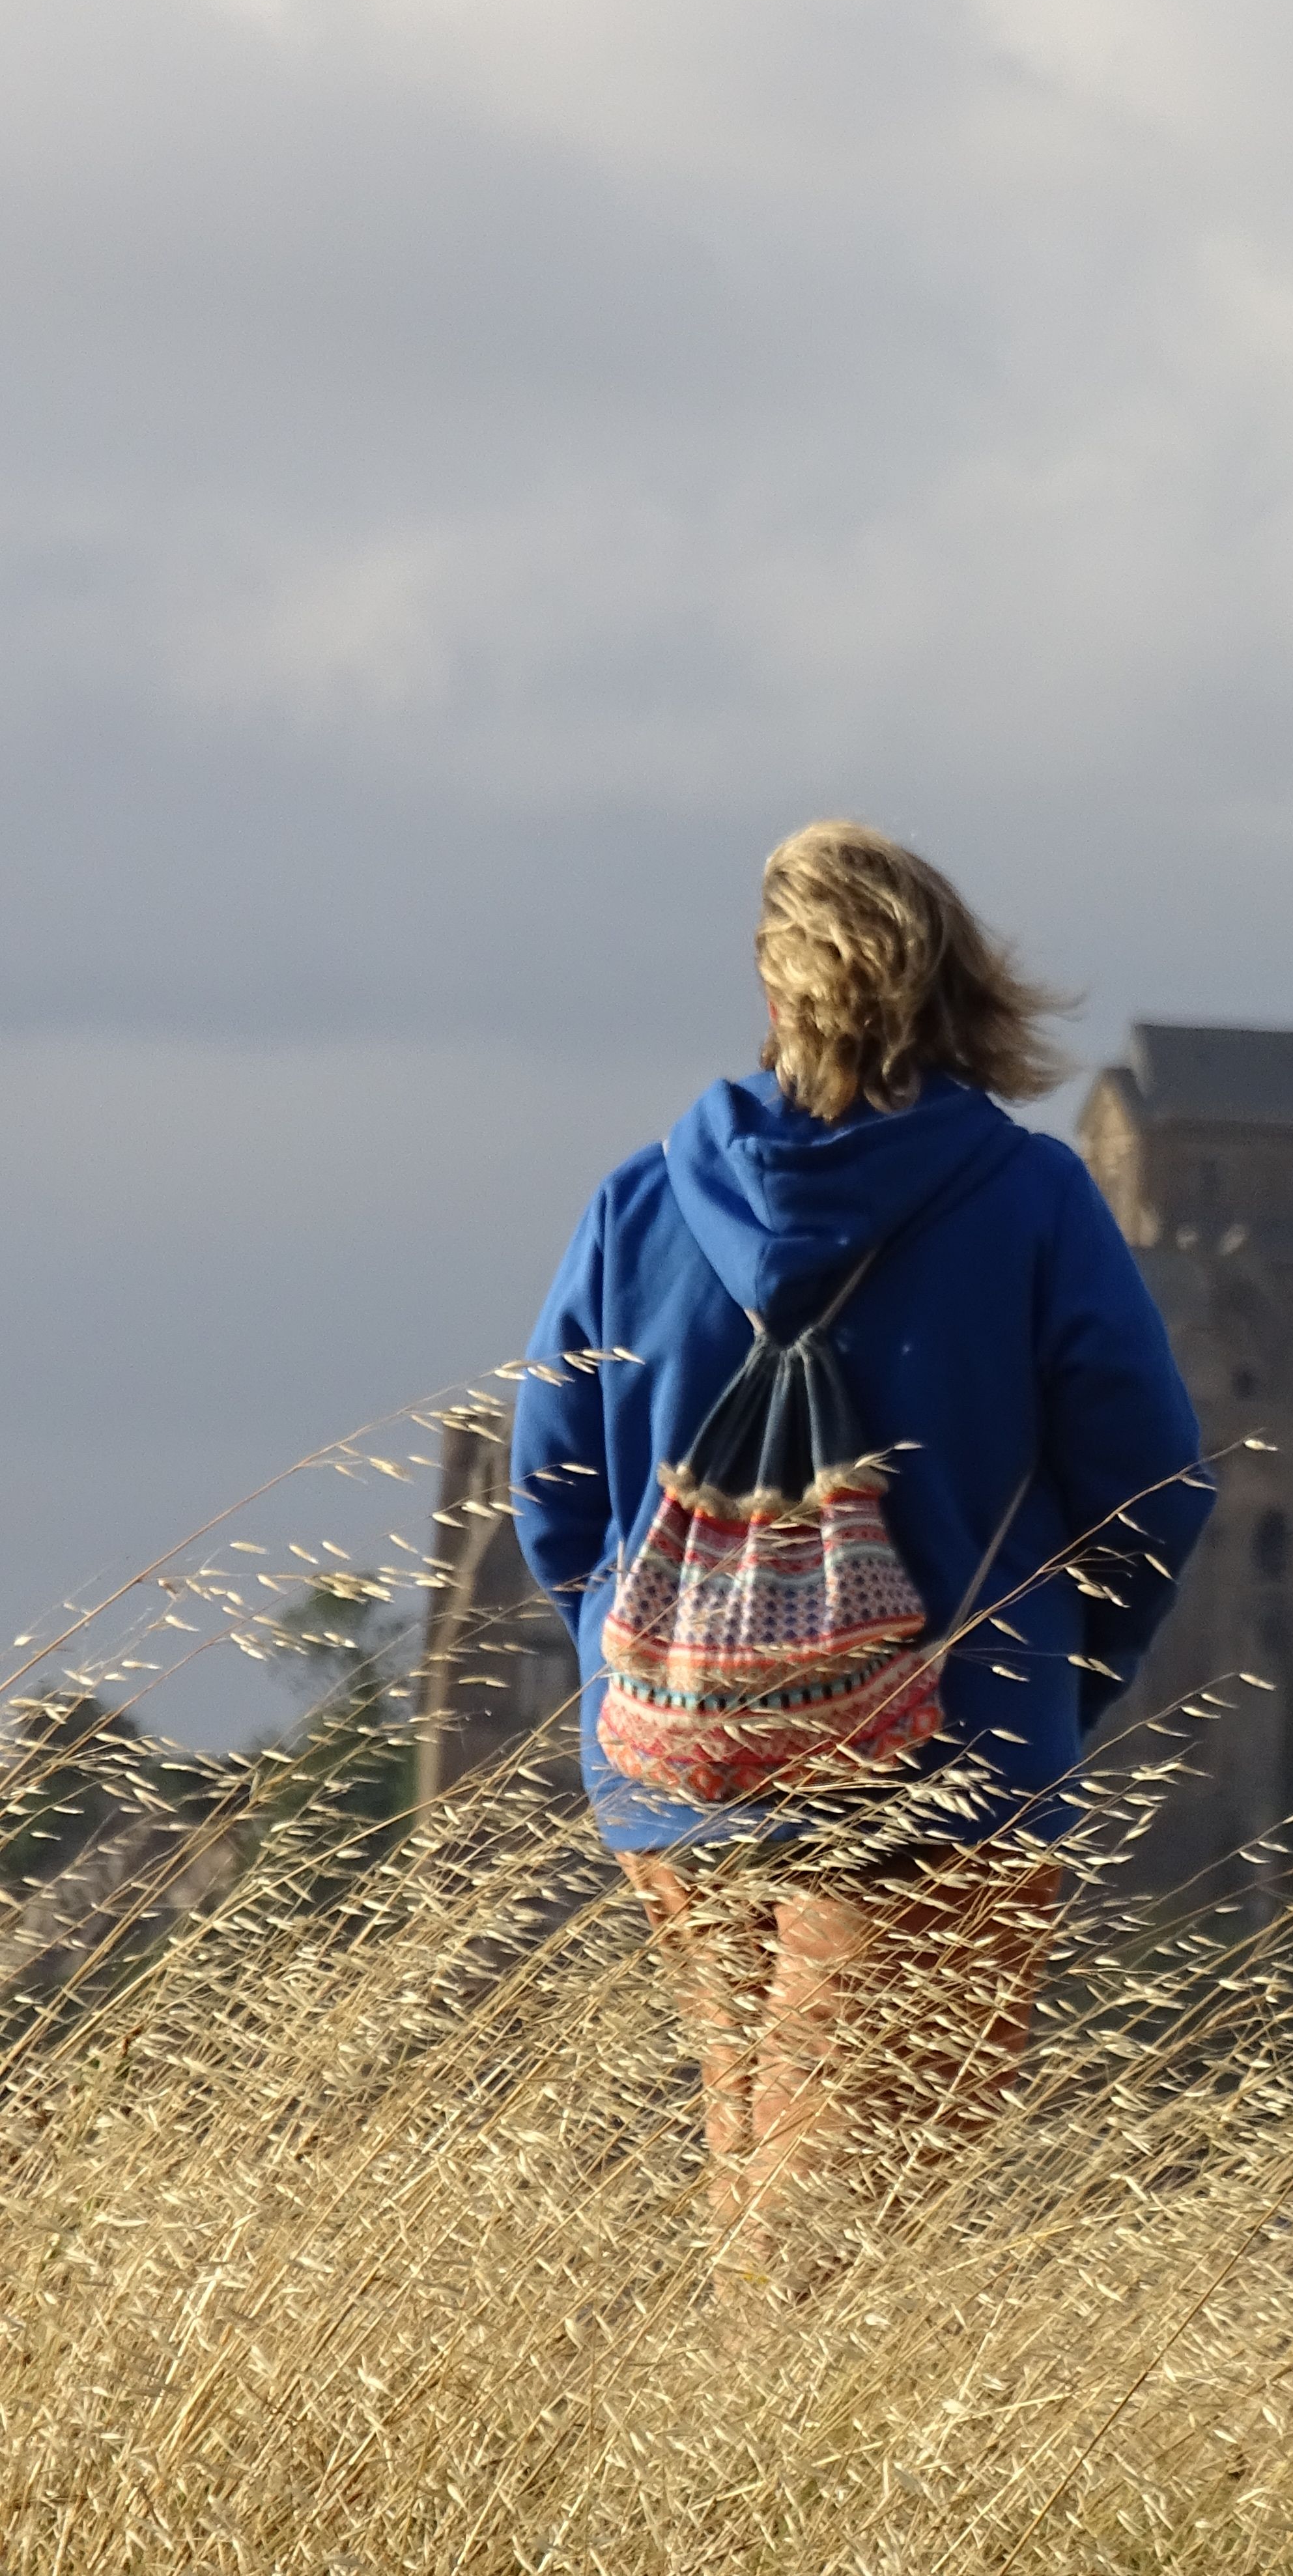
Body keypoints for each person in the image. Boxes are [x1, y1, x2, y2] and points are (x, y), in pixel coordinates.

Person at [509, 821, 1213, 2271]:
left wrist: (672, 1672)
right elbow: (1149, 1486)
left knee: (756, 2186)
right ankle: (751, 2489)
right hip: (941, 1777)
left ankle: (708, 2486)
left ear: (779, 998)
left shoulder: (637, 1206)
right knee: (839, 2245)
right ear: (963, 992)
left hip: (681, 1770)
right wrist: (1053, 1691)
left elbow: (550, 1493)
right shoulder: (1030, 1203)